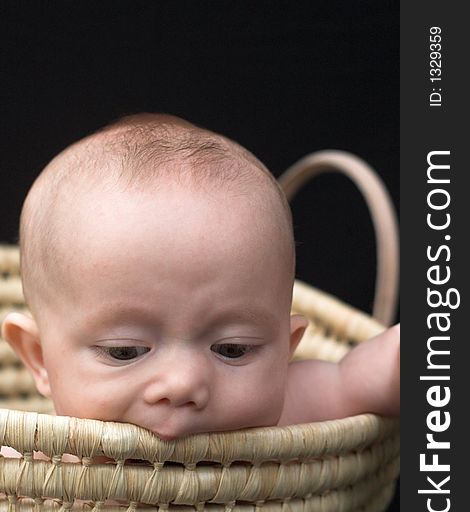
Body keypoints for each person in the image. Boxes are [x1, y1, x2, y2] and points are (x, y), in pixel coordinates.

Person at [1, 113, 399, 444]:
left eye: (233, 349)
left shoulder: (282, 416)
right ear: (39, 359)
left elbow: (361, 376)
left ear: (285, 351)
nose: (182, 384)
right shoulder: (33, 467)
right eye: (125, 351)